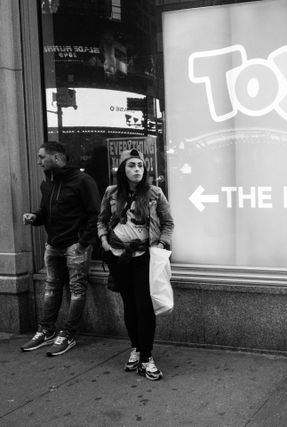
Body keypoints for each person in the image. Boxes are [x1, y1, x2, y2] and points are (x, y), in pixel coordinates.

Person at [97, 148, 174, 381]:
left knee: (144, 306)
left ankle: (147, 357)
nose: (137, 170)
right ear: (122, 169)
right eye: (131, 166)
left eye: (140, 166)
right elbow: (101, 219)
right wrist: (103, 241)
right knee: (129, 304)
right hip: (118, 256)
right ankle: (136, 348)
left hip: (144, 257)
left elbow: (169, 223)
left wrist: (161, 244)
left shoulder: (154, 193)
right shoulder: (111, 193)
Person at [21, 142, 100, 356]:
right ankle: (45, 330)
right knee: (51, 287)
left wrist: (82, 244)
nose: (38, 162)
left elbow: (96, 214)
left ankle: (68, 334)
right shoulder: (47, 183)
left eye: (41, 157)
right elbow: (45, 211)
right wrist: (35, 217)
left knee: (76, 289)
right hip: (53, 245)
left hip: (75, 246)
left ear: (56, 158)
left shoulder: (83, 181)